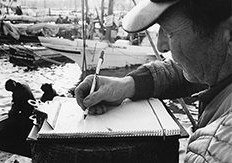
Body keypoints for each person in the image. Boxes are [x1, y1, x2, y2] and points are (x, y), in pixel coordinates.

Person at [75, 0, 232, 162]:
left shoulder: (213, 150)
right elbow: (184, 73)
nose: (161, 46)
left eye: (170, 33)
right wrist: (125, 86)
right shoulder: (220, 66)